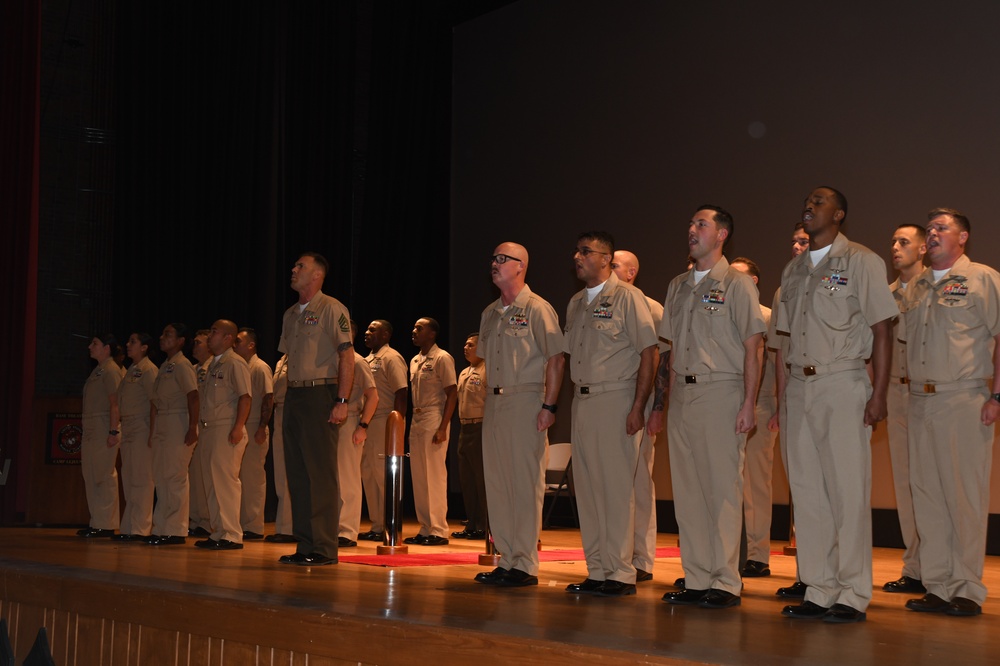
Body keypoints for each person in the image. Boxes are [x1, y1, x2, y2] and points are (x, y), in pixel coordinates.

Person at [774, 186, 896, 623]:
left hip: (842, 382)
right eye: (806, 199)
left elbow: (883, 331)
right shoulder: (793, 271)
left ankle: (851, 591)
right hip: (798, 387)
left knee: (847, 491)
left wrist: (878, 393)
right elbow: (784, 339)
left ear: (839, 214)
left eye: (819, 201)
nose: (809, 205)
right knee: (807, 493)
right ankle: (819, 588)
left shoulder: (862, 261)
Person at [653, 209, 764, 610]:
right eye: (690, 224)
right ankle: (697, 578)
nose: (691, 230)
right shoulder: (678, 286)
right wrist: (659, 404)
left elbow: (755, 346)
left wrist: (749, 403)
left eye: (701, 225)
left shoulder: (736, 285)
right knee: (687, 492)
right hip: (682, 396)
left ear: (722, 234)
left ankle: (725, 581)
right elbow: (665, 351)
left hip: (721, 392)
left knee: (721, 491)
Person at [900, 208, 1000, 617]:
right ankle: (938, 584)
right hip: (919, 400)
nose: (934, 233)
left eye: (942, 228)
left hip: (963, 398)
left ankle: (966, 589)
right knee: (927, 495)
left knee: (963, 497)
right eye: (931, 229)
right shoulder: (917, 285)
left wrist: (998, 396)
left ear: (964, 238)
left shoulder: (983, 279)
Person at [563, 231, 657, 597]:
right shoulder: (575, 303)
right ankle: (597, 569)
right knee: (587, 489)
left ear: (606, 258)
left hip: (616, 397)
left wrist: (638, 406)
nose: (578, 256)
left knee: (616, 489)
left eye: (585, 251)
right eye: (577, 250)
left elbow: (649, 353)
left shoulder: (629, 298)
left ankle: (620, 572)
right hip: (582, 400)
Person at [475, 242, 566, 588]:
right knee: (497, 482)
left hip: (526, 399)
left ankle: (525, 563)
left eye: (502, 259)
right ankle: (506, 558)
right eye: (493, 258)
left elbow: (556, 359)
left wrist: (549, 406)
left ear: (520, 266)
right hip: (495, 402)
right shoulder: (489, 313)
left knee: (524, 484)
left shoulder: (538, 309)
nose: (494, 264)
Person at [278, 252, 355, 566]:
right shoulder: (290, 314)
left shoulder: (331, 308)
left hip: (320, 394)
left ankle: (323, 547)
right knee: (296, 472)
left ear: (317, 275)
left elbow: (346, 356)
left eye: (300, 266)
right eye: (294, 265)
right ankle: (305, 544)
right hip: (294, 395)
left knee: (319, 473)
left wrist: (341, 400)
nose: (293, 270)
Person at [610, 249, 662, 583]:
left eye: (613, 265)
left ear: (631, 273)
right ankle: (616, 554)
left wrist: (654, 408)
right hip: (608, 400)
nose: (608, 269)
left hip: (638, 401)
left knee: (638, 479)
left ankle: (641, 557)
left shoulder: (651, 307)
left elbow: (659, 360)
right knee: (612, 480)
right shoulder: (599, 305)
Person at [881, 225, 927, 594]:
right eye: (893, 243)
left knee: (934, 483)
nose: (895, 248)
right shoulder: (887, 296)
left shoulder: (936, 287)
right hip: (897, 393)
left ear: (923, 248)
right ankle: (915, 568)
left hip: (931, 394)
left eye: (903, 242)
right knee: (905, 483)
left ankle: (941, 566)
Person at [729, 257, 778, 579]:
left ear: (754, 282)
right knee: (728, 482)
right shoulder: (724, 315)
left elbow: (778, 364)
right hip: (725, 403)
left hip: (760, 404)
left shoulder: (768, 317)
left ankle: (758, 554)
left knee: (756, 483)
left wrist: (777, 407)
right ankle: (728, 552)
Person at [194, 319, 252, 550]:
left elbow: (245, 397)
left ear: (228, 338)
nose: (210, 336)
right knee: (211, 483)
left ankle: (231, 534)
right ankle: (218, 531)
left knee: (226, 483)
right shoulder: (212, 365)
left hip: (226, 428)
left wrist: (238, 427)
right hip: (209, 429)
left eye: (215, 332)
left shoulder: (234, 363)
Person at [404, 317, 457, 546]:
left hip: (434, 416)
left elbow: (452, 393)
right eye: (414, 327)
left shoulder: (442, 357)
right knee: (419, 476)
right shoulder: (415, 360)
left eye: (419, 328)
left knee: (434, 475)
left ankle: (438, 529)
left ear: (432, 334)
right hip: (416, 418)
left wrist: (443, 426)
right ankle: (425, 527)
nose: (414, 331)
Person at [146, 323, 199, 546]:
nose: (162, 337)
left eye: (168, 334)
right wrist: (153, 430)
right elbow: (155, 403)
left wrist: (192, 427)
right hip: (163, 424)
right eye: (163, 333)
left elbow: (193, 396)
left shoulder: (182, 365)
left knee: (175, 477)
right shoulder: (166, 365)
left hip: (178, 422)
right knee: (161, 477)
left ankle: (176, 530)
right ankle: (161, 528)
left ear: (180, 341)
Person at [359, 320, 409, 541]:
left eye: (373, 330)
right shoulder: (367, 359)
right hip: (368, 420)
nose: (367, 333)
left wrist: (397, 425)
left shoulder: (391, 357)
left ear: (386, 335)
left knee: (383, 475)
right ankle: (377, 524)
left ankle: (391, 523)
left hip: (386, 419)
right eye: (367, 329)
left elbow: (401, 393)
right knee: (368, 472)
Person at [78, 334, 125, 538]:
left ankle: (105, 524)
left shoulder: (112, 370)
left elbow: (115, 403)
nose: (90, 346)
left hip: (104, 426)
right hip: (91, 427)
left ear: (107, 348)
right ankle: (96, 521)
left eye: (95, 343)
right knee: (90, 473)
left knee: (103, 475)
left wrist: (113, 431)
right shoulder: (99, 370)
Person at [337, 321, 379, 547]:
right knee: (333, 478)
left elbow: (373, 396)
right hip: (330, 423)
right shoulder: (329, 360)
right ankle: (333, 527)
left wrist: (363, 426)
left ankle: (347, 530)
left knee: (348, 478)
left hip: (350, 420)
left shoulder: (357, 361)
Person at [114, 332, 159, 541]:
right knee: (129, 479)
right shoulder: (132, 369)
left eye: (133, 342)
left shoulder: (149, 370)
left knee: (142, 479)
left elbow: (154, 403)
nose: (128, 344)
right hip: (129, 427)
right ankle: (128, 527)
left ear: (144, 347)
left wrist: (152, 434)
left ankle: (141, 529)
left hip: (142, 426)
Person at [233, 327, 274, 540]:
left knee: (253, 478)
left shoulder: (259, 367)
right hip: (242, 427)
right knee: (240, 477)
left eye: (238, 341)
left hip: (254, 427)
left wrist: (261, 428)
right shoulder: (240, 366)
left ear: (251, 345)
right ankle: (241, 523)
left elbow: (268, 398)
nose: (234, 344)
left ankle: (254, 526)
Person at [453, 333, 487, 541]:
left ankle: (484, 525)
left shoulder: (488, 369)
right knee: (467, 479)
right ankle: (472, 523)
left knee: (481, 479)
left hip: (481, 426)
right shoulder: (465, 372)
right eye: (465, 344)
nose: (465, 348)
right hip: (465, 427)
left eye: (471, 345)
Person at [264, 354, 296, 543]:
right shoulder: (281, 360)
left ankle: (291, 528)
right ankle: (284, 526)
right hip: (280, 411)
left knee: (292, 472)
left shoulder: (300, 353)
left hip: (293, 410)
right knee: (281, 474)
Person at [188, 329, 213, 537]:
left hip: (211, 425)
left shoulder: (215, 366)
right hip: (195, 425)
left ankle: (207, 521)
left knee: (207, 476)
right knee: (194, 475)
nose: (195, 346)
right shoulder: (193, 369)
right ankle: (195, 518)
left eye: (199, 342)